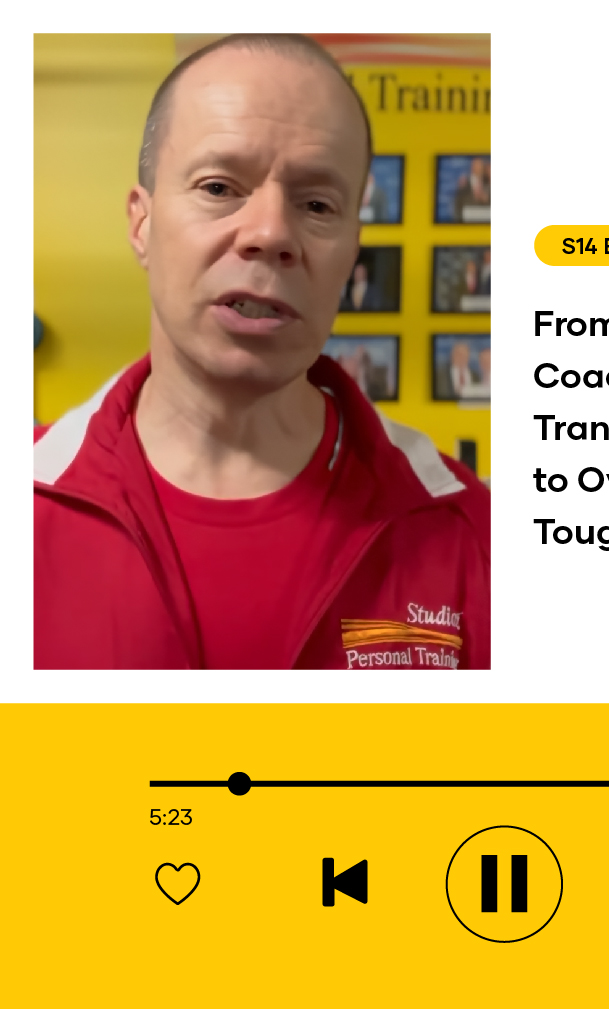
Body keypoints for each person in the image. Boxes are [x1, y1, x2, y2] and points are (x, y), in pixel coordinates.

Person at [34, 34, 489, 670]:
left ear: (350, 254)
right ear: (142, 224)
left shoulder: (471, 533)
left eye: (316, 204)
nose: (272, 232)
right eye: (220, 187)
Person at [452, 156, 490, 221]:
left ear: (482, 167)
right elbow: (457, 205)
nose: (477, 167)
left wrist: (486, 200)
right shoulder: (463, 183)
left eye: (479, 165)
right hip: (466, 223)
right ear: (471, 166)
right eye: (475, 165)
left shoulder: (488, 183)